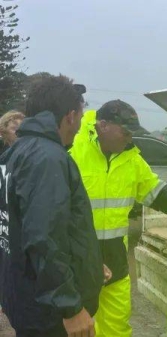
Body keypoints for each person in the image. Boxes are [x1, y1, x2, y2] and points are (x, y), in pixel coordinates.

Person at [0, 74, 104, 337]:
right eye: (80, 116)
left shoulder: (14, 154)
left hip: (24, 297)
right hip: (48, 314)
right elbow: (44, 238)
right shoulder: (47, 158)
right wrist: (70, 307)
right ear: (70, 116)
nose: (80, 124)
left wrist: (86, 264)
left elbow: (23, 226)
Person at [69, 99, 167, 337]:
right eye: (126, 133)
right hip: (78, 263)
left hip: (116, 263)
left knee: (117, 329)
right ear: (103, 125)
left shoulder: (131, 159)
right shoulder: (73, 149)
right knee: (79, 329)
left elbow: (158, 195)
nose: (130, 139)